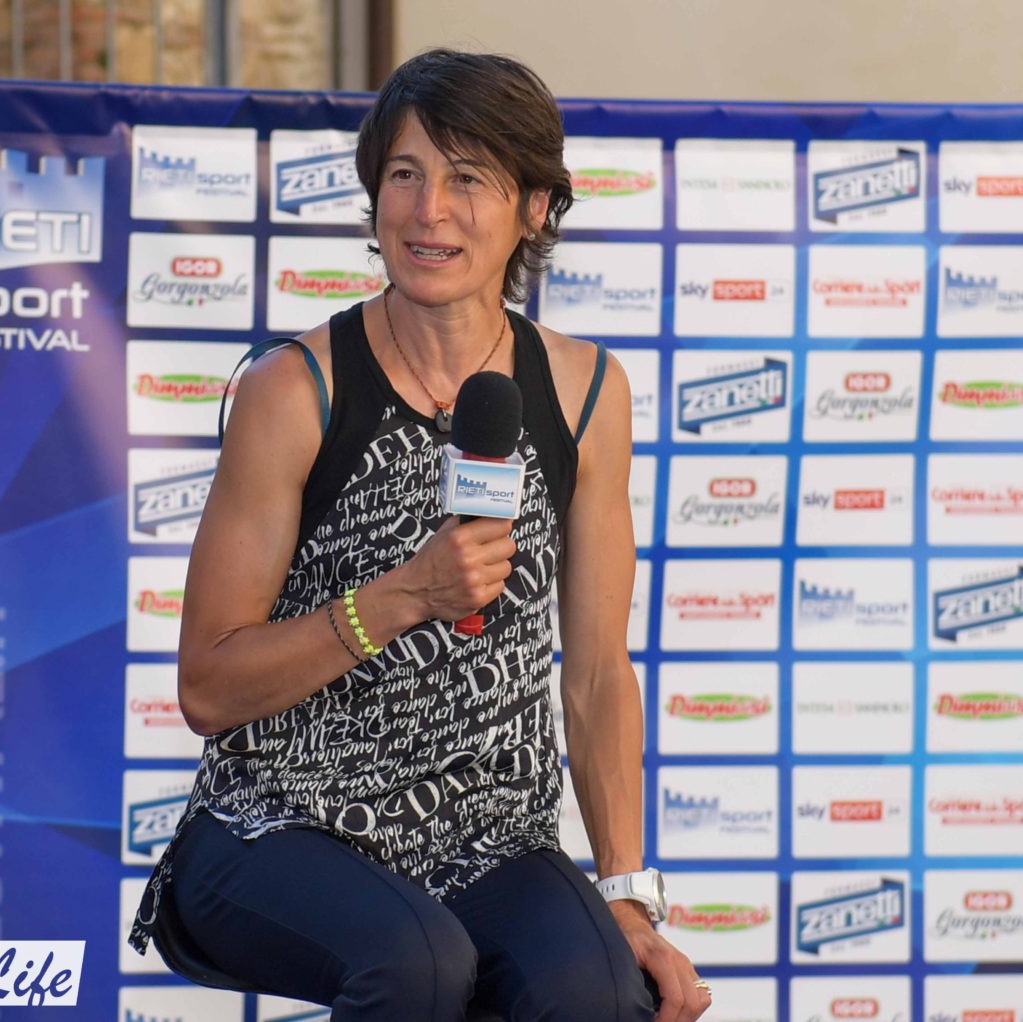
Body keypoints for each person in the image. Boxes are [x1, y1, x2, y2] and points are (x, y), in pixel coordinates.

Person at [128, 49, 712, 1022]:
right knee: (419, 962)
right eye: (405, 174)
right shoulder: (295, 390)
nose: (428, 209)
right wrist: (401, 595)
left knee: (598, 990)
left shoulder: (585, 392)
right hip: (280, 817)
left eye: (467, 178)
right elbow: (208, 686)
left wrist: (625, 893)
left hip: (488, 832)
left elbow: (598, 673)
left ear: (535, 208)